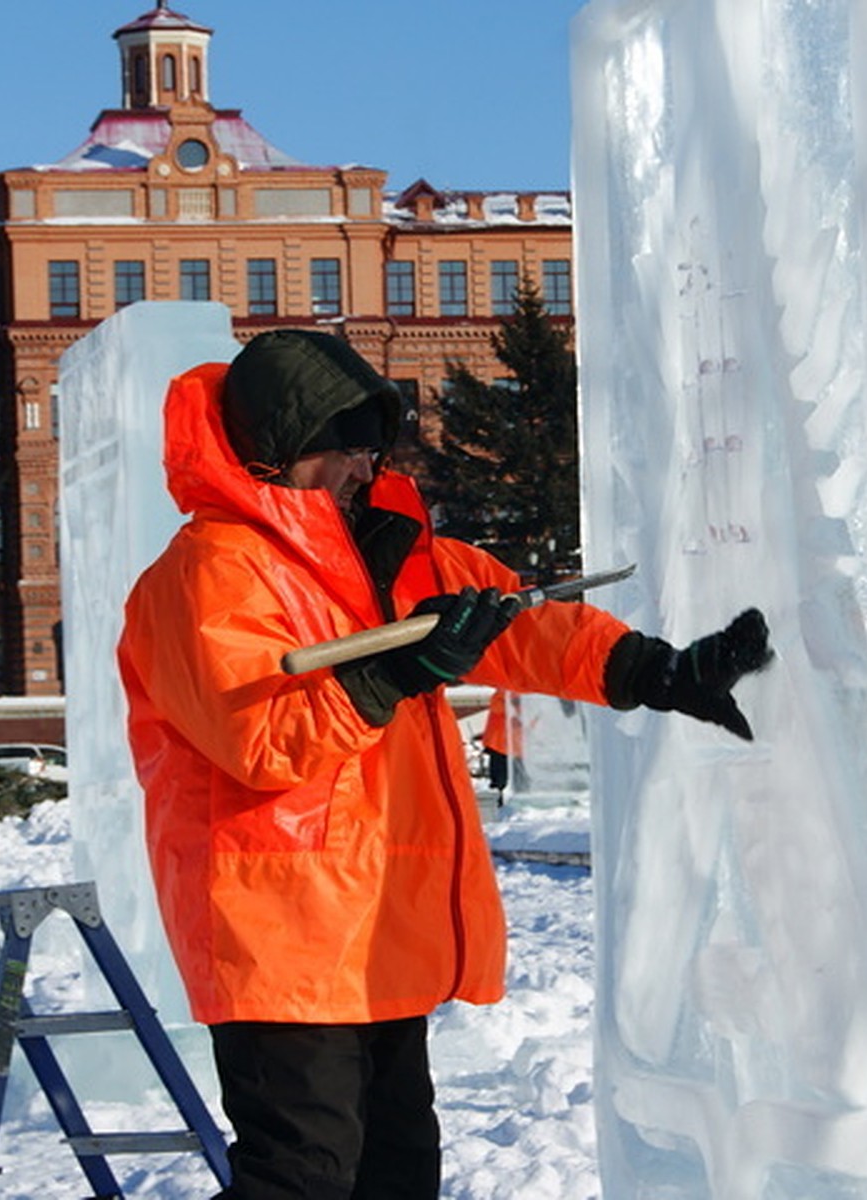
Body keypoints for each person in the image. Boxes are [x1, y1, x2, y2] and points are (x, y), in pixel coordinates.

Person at [116, 328, 772, 1200]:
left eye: (368, 446)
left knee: (396, 1174)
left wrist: (658, 673)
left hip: (375, 920)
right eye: (340, 447)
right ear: (276, 447)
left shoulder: (381, 549)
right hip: (279, 934)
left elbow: (525, 622)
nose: (360, 466)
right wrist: (393, 673)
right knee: (300, 1176)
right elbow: (262, 740)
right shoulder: (208, 574)